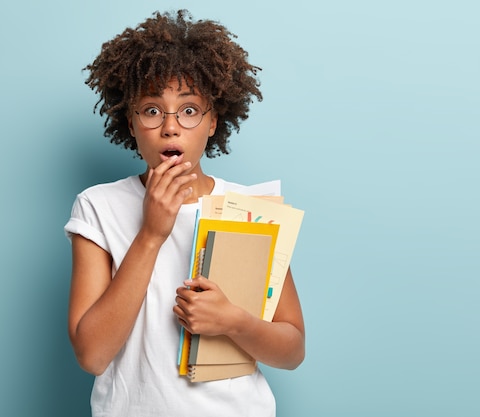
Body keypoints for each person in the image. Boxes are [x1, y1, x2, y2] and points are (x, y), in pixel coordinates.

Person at [64, 10, 305, 417]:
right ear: (131, 122)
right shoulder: (98, 206)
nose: (171, 127)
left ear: (213, 121)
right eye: (152, 110)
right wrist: (151, 234)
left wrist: (234, 322)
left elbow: (293, 350)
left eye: (189, 110)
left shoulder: (251, 210)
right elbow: (92, 355)